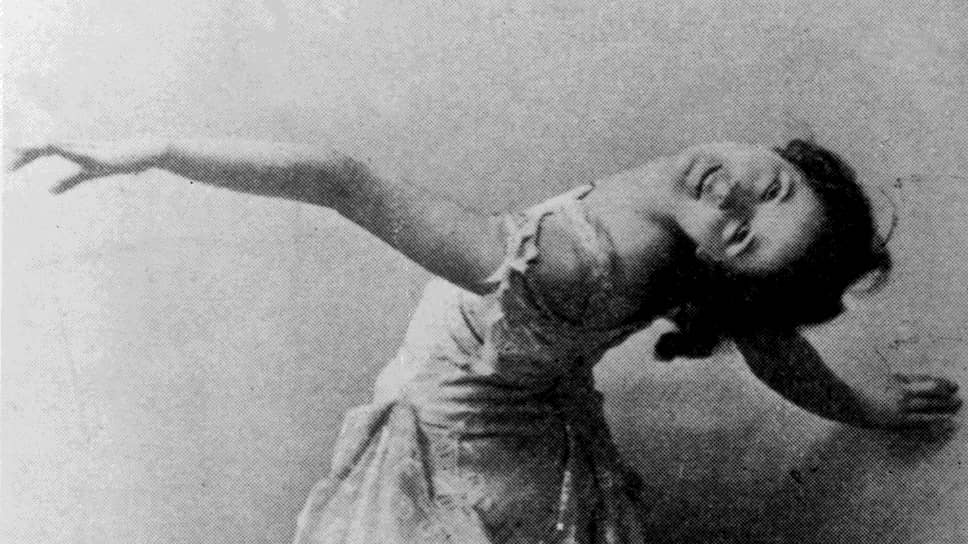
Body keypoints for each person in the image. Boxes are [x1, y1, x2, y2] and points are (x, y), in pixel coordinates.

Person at [8, 137, 962, 543]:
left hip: (469, 446)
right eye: (774, 186)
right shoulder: (685, 240)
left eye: (742, 234)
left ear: (721, 268)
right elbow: (772, 342)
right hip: (533, 419)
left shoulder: (569, 261)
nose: (733, 196)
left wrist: (158, 150)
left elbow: (342, 178)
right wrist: (864, 408)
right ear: (785, 154)